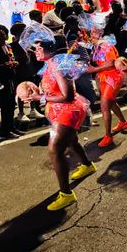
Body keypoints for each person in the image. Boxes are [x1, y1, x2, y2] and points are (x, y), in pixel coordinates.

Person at [21, 31, 96, 210]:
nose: (35, 52)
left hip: (69, 110)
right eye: (35, 48)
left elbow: (68, 96)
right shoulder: (49, 64)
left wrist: (40, 98)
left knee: (55, 150)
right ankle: (87, 165)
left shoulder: (57, 66)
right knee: (71, 140)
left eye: (39, 49)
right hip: (59, 109)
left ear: (49, 50)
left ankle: (66, 194)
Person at [87, 28, 127, 148]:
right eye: (91, 31)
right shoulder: (97, 45)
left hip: (112, 77)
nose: (91, 34)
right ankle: (123, 122)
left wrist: (94, 70)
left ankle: (108, 136)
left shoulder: (105, 45)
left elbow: (111, 63)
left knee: (104, 105)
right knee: (111, 101)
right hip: (104, 77)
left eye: (94, 32)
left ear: (101, 33)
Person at [0, 25, 24, 140]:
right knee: (5, 105)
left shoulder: (8, 47)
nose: (1, 37)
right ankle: (6, 130)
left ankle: (12, 127)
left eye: (3, 34)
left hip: (10, 79)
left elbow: (12, 60)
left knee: (11, 104)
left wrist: (15, 63)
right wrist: (4, 65)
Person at [9, 22, 44, 122]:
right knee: (22, 92)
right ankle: (21, 112)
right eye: (23, 31)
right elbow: (13, 58)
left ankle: (33, 109)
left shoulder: (28, 43)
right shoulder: (12, 46)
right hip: (20, 71)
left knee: (32, 89)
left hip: (30, 69)